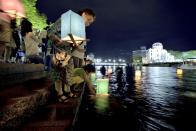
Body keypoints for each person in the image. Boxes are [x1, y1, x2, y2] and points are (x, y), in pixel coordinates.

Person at [48, 8, 96, 103]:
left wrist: (76, 44)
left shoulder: (77, 27)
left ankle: (67, 90)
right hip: (59, 48)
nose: (88, 24)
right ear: (84, 14)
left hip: (67, 50)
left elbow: (72, 43)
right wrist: (57, 39)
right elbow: (50, 32)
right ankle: (59, 93)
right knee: (59, 69)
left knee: (69, 70)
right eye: (89, 20)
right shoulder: (68, 19)